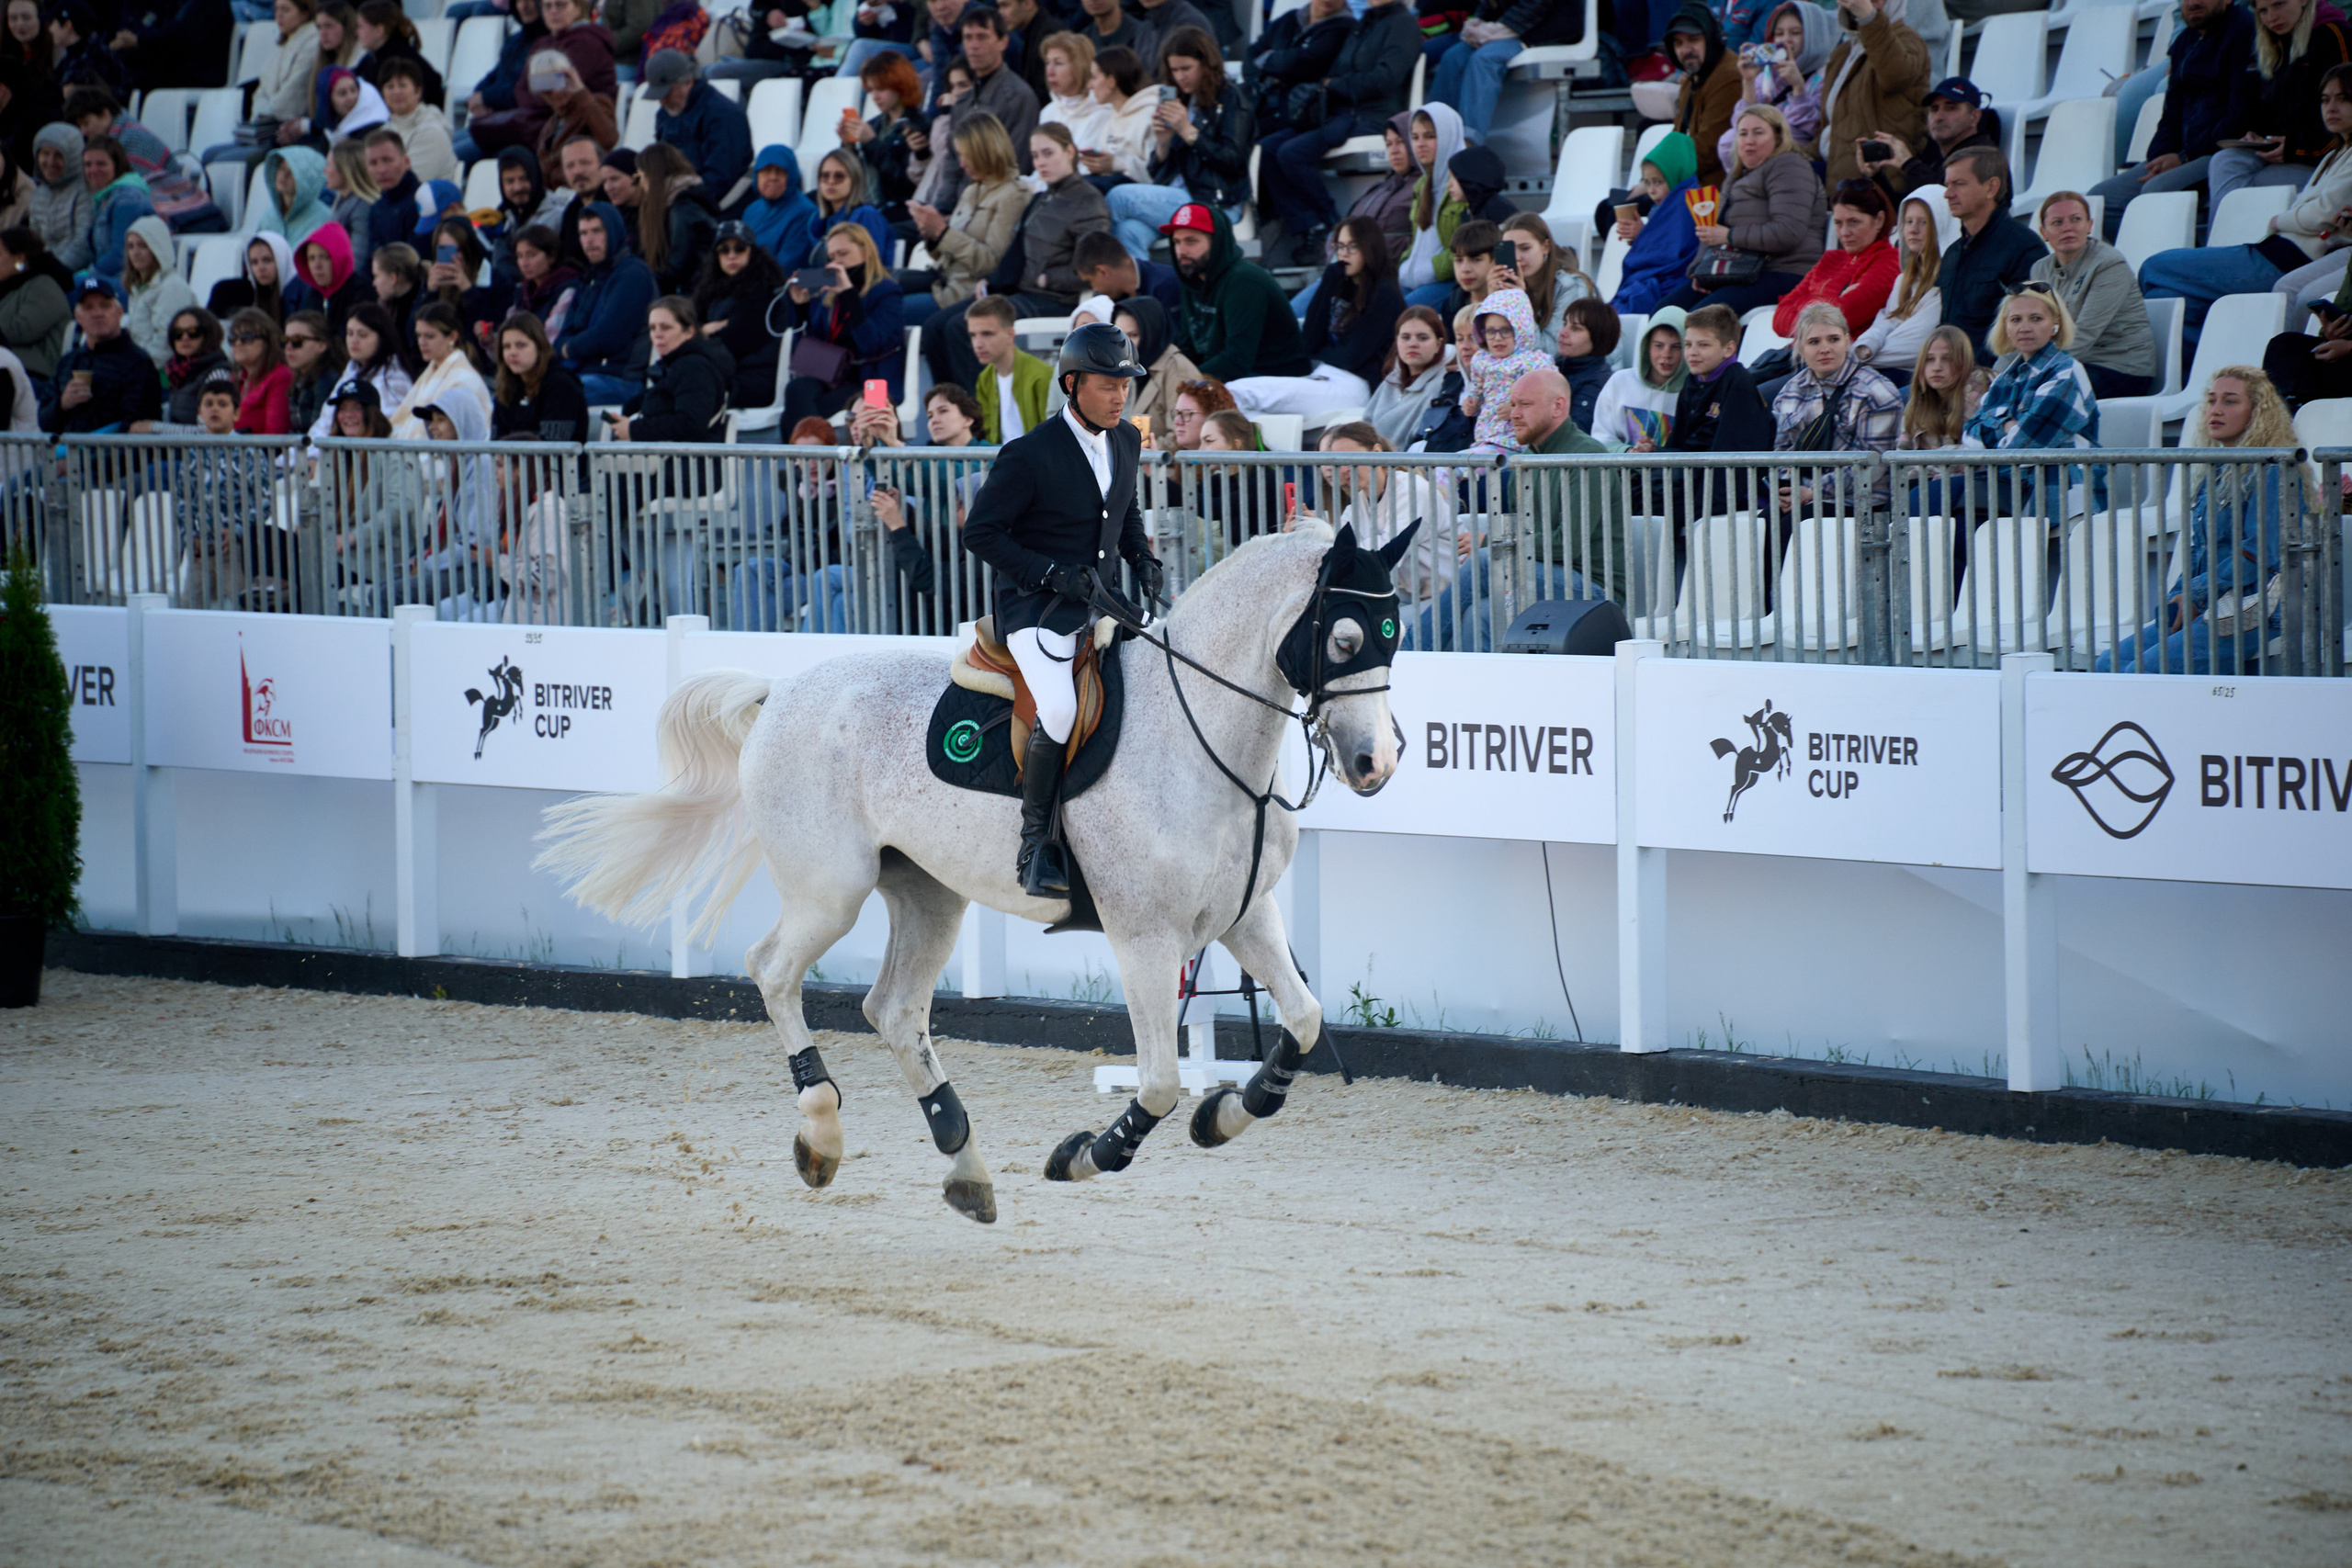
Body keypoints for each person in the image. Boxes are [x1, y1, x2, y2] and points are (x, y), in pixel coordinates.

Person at [958, 321, 1160, 897]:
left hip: (1103, 602)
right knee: (1061, 709)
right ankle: (1035, 845)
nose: (1121, 395)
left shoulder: (1125, 439)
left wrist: (1141, 557)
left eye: (1127, 384)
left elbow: (1125, 510)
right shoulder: (1027, 454)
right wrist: (1048, 573)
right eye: (1108, 385)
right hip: (1036, 608)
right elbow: (981, 534)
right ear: (1072, 384)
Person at [2098, 367, 2299, 673]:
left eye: (2229, 402)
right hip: (2210, 602)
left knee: (2142, 673)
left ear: (2258, 412)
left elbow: (2260, 553)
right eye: (2211, 401)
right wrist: (2178, 595)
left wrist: (2197, 593)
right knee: (2109, 664)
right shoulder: (2215, 470)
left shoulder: (2272, 470)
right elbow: (2198, 550)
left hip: (2254, 608)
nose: (2215, 411)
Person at [2144, 63, 2352, 355]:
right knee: (2167, 296)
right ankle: (2214, 370)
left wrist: (2279, 220)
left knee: (2153, 267)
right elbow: (2311, 212)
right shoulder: (2335, 153)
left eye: (2343, 98)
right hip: (2277, 249)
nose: (2331, 107)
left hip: (2292, 257)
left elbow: (2321, 214)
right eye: (2325, 99)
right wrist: (2297, 218)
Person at [924, 122, 1107, 389]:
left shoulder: (1088, 201)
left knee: (959, 329)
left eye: (1048, 153)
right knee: (934, 327)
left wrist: (1049, 280)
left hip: (1056, 299)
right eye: (1035, 156)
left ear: (1069, 151)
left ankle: (976, 416)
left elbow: (1095, 266)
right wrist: (991, 282)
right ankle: (951, 407)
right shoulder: (1042, 197)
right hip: (1022, 293)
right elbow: (1016, 251)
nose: (1041, 162)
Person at [1913, 285, 2093, 536]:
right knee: (1919, 501)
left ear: (2056, 324)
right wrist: (2009, 425)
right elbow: (1971, 434)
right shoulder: (2006, 379)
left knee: (1960, 519)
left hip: (2051, 490)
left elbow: (2024, 448)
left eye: (2036, 318)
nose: (2025, 327)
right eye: (2016, 319)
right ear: (2006, 328)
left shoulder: (2066, 374)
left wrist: (1999, 424)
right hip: (2006, 483)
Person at [1258, 0, 1415, 265]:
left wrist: (1333, 85)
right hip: (1340, 114)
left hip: (1369, 116)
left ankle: (1331, 224)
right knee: (1269, 148)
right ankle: (1310, 226)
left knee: (1292, 153)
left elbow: (1386, 79)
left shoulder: (1403, 24)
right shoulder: (1365, 23)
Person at [2086, 0, 2257, 240]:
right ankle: (2137, 267)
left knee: (2155, 191)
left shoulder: (2246, 33)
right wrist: (2158, 159)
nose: (2194, 2)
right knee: (2103, 199)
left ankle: (2181, 261)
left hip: (2223, 150)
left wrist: (2183, 158)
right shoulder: (2184, 43)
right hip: (2185, 154)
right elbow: (2171, 115)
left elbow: (2240, 118)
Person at [1661, 105, 1825, 318]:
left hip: (1785, 271)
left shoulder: (1790, 166)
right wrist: (1698, 270)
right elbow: (1711, 231)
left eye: (1758, 133)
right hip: (1741, 271)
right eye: (1743, 134)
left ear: (1778, 136)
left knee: (1701, 318)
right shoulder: (1737, 175)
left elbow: (1788, 231)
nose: (1749, 140)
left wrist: (1728, 236)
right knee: (1666, 313)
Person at [1232, 215, 1402, 419]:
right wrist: (1327, 285)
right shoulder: (1345, 289)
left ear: (1369, 248)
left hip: (1356, 386)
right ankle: (1272, 450)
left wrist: (1322, 352)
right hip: (1325, 377)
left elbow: (1351, 358)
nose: (1343, 254)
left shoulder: (1384, 295)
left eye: (1352, 247)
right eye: (1339, 247)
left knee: (1238, 392)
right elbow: (1310, 343)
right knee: (1241, 404)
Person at [1108, 26, 1246, 261]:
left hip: (1212, 202)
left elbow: (1234, 161)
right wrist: (1163, 144)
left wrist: (1187, 131)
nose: (1180, 77)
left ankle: (1092, 270)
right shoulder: (1180, 98)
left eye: (1186, 68)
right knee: (1129, 231)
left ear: (1206, 63)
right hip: (1175, 196)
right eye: (1174, 70)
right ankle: (1137, 295)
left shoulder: (1229, 98)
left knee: (1117, 197)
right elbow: (1156, 171)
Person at [1642, 301, 1772, 539]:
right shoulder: (1693, 380)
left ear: (1728, 348)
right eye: (1688, 344)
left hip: (1729, 494)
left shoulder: (1738, 383)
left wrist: (1699, 514)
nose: (1692, 352)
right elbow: (1680, 443)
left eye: (1703, 345)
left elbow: (1731, 459)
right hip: (1693, 481)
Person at [2211, 0, 2351, 210]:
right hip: (2288, 153)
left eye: (2279, 5)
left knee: (2251, 183)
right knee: (2225, 160)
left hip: (2328, 161)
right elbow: (2271, 111)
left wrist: (2295, 148)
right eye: (2263, 11)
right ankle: (2230, 239)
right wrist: (2258, 136)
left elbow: (2346, 121)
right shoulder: (2274, 45)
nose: (2271, 18)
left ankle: (2239, 239)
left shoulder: (2333, 35)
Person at [1769, 299, 1903, 515]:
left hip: (1860, 502)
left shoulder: (1877, 391)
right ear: (1801, 348)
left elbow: (1872, 464)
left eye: (1833, 339)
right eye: (1814, 342)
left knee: (1787, 531)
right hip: (1803, 499)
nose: (1825, 349)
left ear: (1848, 341)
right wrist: (1786, 492)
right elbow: (1781, 451)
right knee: (1763, 527)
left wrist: (1813, 491)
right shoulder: (1790, 390)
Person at [1163, 199, 1311, 387]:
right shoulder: (1192, 278)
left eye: (1191, 241)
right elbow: (1187, 347)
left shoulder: (1244, 281)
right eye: (1176, 242)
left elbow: (1236, 359)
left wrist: (1186, 384)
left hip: (1274, 378)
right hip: (1235, 374)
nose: (1181, 251)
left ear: (1216, 242)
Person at [2027, 190, 2156, 400]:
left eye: (2076, 219)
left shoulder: (2109, 264)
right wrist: (2000, 374)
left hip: (2120, 369)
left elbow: (2084, 335)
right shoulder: (2040, 270)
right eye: (2057, 222)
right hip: (2073, 365)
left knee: (2037, 396)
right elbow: (2030, 328)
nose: (2068, 227)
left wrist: (2032, 372)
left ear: (2089, 225)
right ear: (2043, 232)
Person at [778, 220, 904, 423]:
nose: (836, 263)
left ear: (865, 251)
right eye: (832, 257)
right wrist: (801, 307)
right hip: (832, 376)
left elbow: (872, 344)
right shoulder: (829, 295)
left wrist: (849, 294)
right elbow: (806, 353)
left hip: (873, 383)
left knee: (808, 412)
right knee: (797, 390)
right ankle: (807, 451)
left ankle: (806, 451)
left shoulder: (886, 291)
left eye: (843, 254)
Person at [903, 112, 1024, 321]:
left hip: (965, 295)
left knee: (891, 312)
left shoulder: (1012, 196)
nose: (961, 164)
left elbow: (992, 264)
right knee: (878, 291)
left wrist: (943, 232)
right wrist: (932, 235)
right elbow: (946, 255)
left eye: (965, 155)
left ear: (983, 152)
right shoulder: (972, 190)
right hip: (941, 282)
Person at [924, 5, 1041, 214]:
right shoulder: (963, 101)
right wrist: (942, 209)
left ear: (1003, 41)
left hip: (993, 209)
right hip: (959, 207)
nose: (973, 46)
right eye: (968, 38)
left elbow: (1014, 167)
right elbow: (952, 163)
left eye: (982, 37)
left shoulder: (1018, 97)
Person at [1430, 0, 1592, 147]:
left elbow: (1536, 6)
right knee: (1453, 57)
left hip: (1546, 31)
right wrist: (1478, 22)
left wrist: (1494, 30)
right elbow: (1489, 4)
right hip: (1506, 30)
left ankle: (1469, 142)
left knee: (1484, 59)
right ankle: (1435, 134)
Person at [1934, 146, 2043, 362]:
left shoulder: (2024, 248)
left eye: (1959, 184)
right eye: (1947, 185)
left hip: (1991, 376)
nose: (1947, 194)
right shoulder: (1952, 253)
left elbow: (2027, 329)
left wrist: (1976, 375)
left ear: (1991, 187)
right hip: (1947, 370)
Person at [471, 0, 615, 157]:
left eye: (560, 5)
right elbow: (522, 89)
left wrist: (537, 94)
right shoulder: (543, 42)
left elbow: (558, 93)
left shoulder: (587, 43)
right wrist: (538, 94)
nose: (553, 11)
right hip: (539, 127)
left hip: (578, 130)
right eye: (547, 6)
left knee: (473, 154)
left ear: (578, 8)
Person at [1810, 0, 1929, 188]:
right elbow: (1833, 126)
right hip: (1841, 185)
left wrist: (1869, 18)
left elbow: (1895, 76)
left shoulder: (1909, 40)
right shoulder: (1842, 53)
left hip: (1884, 185)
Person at [1770, 177, 1898, 345]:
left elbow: (1843, 317)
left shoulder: (1890, 261)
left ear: (1879, 220)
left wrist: (1802, 303)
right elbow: (1779, 320)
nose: (1844, 232)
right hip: (1803, 358)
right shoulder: (1830, 258)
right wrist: (1832, 304)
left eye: (1853, 222)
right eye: (1838, 223)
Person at [1716, 0, 1834, 176]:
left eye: (1795, 33)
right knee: (1728, 141)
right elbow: (1740, 124)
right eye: (1779, 34)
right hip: (1757, 163)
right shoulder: (1767, 75)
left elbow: (1811, 129)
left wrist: (1797, 87)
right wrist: (1748, 81)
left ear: (1812, 36)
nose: (1786, 40)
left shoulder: (1824, 76)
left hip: (1794, 164)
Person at [556, 199, 655, 403]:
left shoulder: (633, 274)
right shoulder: (587, 279)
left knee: (558, 397)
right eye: (583, 233)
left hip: (620, 380)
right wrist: (566, 347)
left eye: (597, 231)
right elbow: (561, 337)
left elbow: (607, 337)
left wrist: (569, 349)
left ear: (613, 231)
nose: (589, 240)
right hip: (583, 375)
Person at [40, 276, 160, 432]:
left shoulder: (138, 362)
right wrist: (62, 404)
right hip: (68, 453)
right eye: (88, 307)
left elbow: (136, 428)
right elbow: (43, 422)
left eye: (105, 306)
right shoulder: (67, 362)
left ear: (119, 313)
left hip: (112, 454)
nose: (97, 313)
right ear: (78, 317)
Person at [1860, 74, 1999, 204]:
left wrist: (1909, 164)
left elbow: (1942, 204)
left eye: (1951, 108)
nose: (1939, 117)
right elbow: (1907, 208)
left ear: (1975, 117)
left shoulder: (1982, 157)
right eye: (1934, 109)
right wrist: (1876, 177)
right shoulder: (1938, 160)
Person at [610, 294, 731, 442]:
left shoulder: (695, 367)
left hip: (686, 462)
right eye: (652, 328)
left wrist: (633, 429)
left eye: (665, 327)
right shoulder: (675, 366)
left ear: (689, 332)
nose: (657, 335)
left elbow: (690, 424)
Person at [691, 219, 783, 411]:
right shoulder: (709, 289)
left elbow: (737, 339)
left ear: (752, 252)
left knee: (690, 386)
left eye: (739, 248)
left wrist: (698, 335)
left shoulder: (762, 289)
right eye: (724, 250)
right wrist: (703, 330)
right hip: (721, 370)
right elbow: (688, 326)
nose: (731, 255)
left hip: (753, 375)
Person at [1608, 130, 1702, 318]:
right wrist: (1641, 236)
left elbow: (1670, 255)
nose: (1651, 191)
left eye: (1658, 182)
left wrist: (1643, 237)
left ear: (1677, 173)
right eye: (1648, 183)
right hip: (1658, 280)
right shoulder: (1666, 205)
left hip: (1674, 282)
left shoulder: (1686, 202)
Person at [1851, 191, 1941, 385]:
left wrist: (1854, 359)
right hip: (1878, 367)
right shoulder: (1903, 280)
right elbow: (1887, 321)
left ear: (1939, 226)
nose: (1913, 230)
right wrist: (1864, 346)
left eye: (1922, 222)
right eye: (1908, 222)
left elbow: (1918, 343)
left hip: (1913, 377)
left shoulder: (1943, 284)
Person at [642, 50, 753, 200]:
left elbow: (721, 177)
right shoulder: (666, 114)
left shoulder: (723, 115)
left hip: (709, 203)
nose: (662, 101)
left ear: (688, 82)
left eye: (667, 93)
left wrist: (680, 194)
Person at [842, 48, 928, 226]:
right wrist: (847, 146)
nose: (875, 97)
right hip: (868, 205)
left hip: (899, 211)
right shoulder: (874, 124)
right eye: (871, 89)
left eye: (881, 89)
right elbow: (856, 174)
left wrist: (872, 143)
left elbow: (905, 185)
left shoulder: (919, 126)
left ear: (900, 85)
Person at [309, 298, 413, 441]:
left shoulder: (394, 377)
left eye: (362, 335)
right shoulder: (351, 371)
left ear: (382, 337)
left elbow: (391, 428)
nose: (354, 340)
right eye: (350, 333)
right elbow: (325, 423)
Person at [1663, 0, 1742, 186]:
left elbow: (1708, 150)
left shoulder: (1730, 76)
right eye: (1679, 43)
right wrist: (1652, 178)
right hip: (1688, 182)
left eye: (1693, 39)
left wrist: (1660, 175)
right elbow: (1678, 136)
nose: (1685, 50)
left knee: (1614, 209)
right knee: (1611, 207)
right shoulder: (1693, 77)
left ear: (1712, 38)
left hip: (1714, 192)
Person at [392, 298, 492, 436]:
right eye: (419, 335)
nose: (421, 342)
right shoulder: (431, 371)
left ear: (452, 336)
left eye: (429, 336)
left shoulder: (464, 379)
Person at [1590, 305, 1688, 448]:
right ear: (1647, 346)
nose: (1666, 355)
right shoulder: (1620, 381)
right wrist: (1628, 452)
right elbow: (1600, 438)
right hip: (1619, 468)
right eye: (1659, 346)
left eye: (1676, 347)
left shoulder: (1693, 392)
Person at [1363, 303, 1457, 449]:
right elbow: (1365, 426)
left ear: (1439, 344)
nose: (1413, 344)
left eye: (1423, 338)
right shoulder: (1391, 380)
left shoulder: (1443, 384)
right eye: (1405, 337)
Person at [634, 141, 719, 294]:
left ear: (653, 175)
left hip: (693, 297)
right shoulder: (679, 203)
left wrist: (639, 279)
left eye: (641, 175)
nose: (641, 183)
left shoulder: (684, 209)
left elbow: (678, 266)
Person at [1111, 293, 1196, 441]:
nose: (1124, 345)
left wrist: (1142, 452)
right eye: (1119, 336)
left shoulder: (1177, 370)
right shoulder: (1139, 367)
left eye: (1133, 335)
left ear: (1152, 333)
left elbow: (1182, 439)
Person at [967, 292, 1048, 440]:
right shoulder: (984, 379)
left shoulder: (1042, 376)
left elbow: (1053, 437)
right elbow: (989, 436)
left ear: (1010, 335)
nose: (977, 344)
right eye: (973, 335)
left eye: (987, 334)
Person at [1074, 44, 1154, 192]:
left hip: (1137, 192)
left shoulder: (1150, 115)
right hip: (1111, 184)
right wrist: (1097, 165)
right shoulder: (1113, 116)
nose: (1090, 85)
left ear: (1111, 81)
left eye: (1094, 77)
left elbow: (1155, 172)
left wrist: (1115, 164)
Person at [78, 133, 153, 283]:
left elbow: (121, 253)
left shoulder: (128, 200)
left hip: (130, 282)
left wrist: (90, 274)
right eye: (88, 165)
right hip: (109, 277)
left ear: (116, 165)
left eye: (101, 164)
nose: (93, 170)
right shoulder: (104, 197)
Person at [0, 225, 68, 386]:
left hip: (35, 373)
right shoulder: (8, 289)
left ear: (20, 258)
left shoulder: (43, 285)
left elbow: (22, 331)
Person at [121, 215, 195, 363]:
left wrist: (133, 365)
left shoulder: (172, 287)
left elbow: (165, 344)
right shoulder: (138, 287)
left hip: (162, 372)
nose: (135, 253)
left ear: (157, 247)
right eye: (131, 246)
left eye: (143, 246)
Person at [808, 144, 892, 270]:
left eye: (839, 176)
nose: (831, 181)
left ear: (854, 180)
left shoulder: (867, 216)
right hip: (831, 286)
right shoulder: (817, 221)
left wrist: (808, 281)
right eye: (825, 176)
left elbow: (866, 271)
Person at [742, 143, 820, 271]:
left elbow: (787, 266)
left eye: (780, 171)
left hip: (788, 286)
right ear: (757, 176)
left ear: (791, 176)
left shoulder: (806, 212)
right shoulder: (751, 210)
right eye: (766, 171)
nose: (773, 177)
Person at [148, 304, 227, 426]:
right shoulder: (178, 372)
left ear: (208, 335)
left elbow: (211, 429)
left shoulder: (218, 374)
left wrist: (155, 428)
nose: (185, 338)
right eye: (178, 333)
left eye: (193, 332)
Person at [357, 1, 447, 108]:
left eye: (360, 26)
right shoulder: (371, 59)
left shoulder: (401, 62)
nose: (356, 32)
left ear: (379, 31)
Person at [1072, 227, 1178, 314]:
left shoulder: (1167, 284)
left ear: (1103, 271)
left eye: (1091, 281)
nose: (1094, 289)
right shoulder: (1106, 300)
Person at [289, 220, 368, 335]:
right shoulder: (312, 295)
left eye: (325, 257)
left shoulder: (360, 291)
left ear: (340, 257)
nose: (317, 266)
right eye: (311, 258)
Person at [28, 126, 90, 270]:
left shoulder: (84, 191)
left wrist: (54, 272)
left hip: (72, 272)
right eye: (45, 153)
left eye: (58, 155)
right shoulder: (39, 193)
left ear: (73, 157)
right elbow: (34, 242)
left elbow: (82, 245)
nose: (50, 162)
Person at [1555, 295, 1618, 434]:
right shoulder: (1556, 367)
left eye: (1576, 328)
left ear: (1598, 337)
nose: (1563, 333)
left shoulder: (1596, 383)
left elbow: (1574, 436)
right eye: (1565, 324)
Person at [223, 306, 291, 432]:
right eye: (233, 338)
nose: (238, 343)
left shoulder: (280, 376)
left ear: (268, 340)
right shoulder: (236, 379)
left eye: (247, 337)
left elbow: (275, 434)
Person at [508, 223, 578, 341]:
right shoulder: (522, 293)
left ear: (551, 257)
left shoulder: (566, 290)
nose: (524, 263)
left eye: (532, 255)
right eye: (519, 256)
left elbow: (549, 339)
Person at [282, 307, 341, 435]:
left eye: (297, 341)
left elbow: (320, 433)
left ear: (322, 345)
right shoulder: (301, 378)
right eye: (285, 340)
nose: (288, 347)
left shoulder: (326, 381)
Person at [322, 139, 377, 271]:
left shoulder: (363, 206)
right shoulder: (341, 201)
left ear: (345, 169)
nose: (325, 171)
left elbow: (358, 258)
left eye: (329, 165)